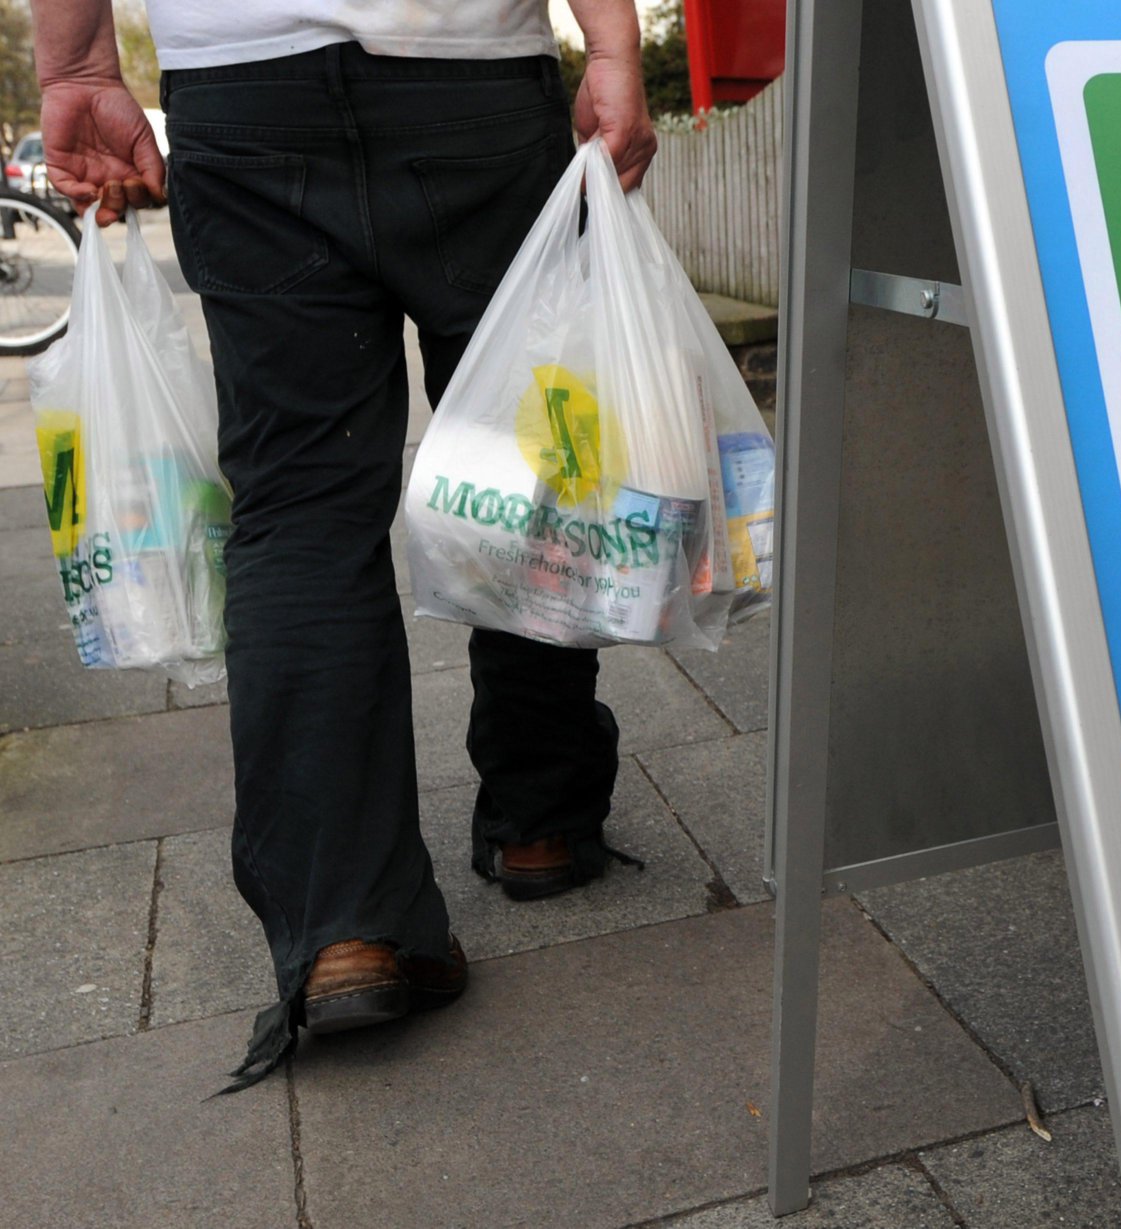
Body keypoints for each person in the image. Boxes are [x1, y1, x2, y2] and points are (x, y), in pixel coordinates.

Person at [29, 0, 659, 1091]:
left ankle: (345, 926)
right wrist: (608, 43)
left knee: (299, 500)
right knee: (524, 450)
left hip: (242, 87)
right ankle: (540, 819)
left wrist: (79, 60)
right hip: (467, 74)